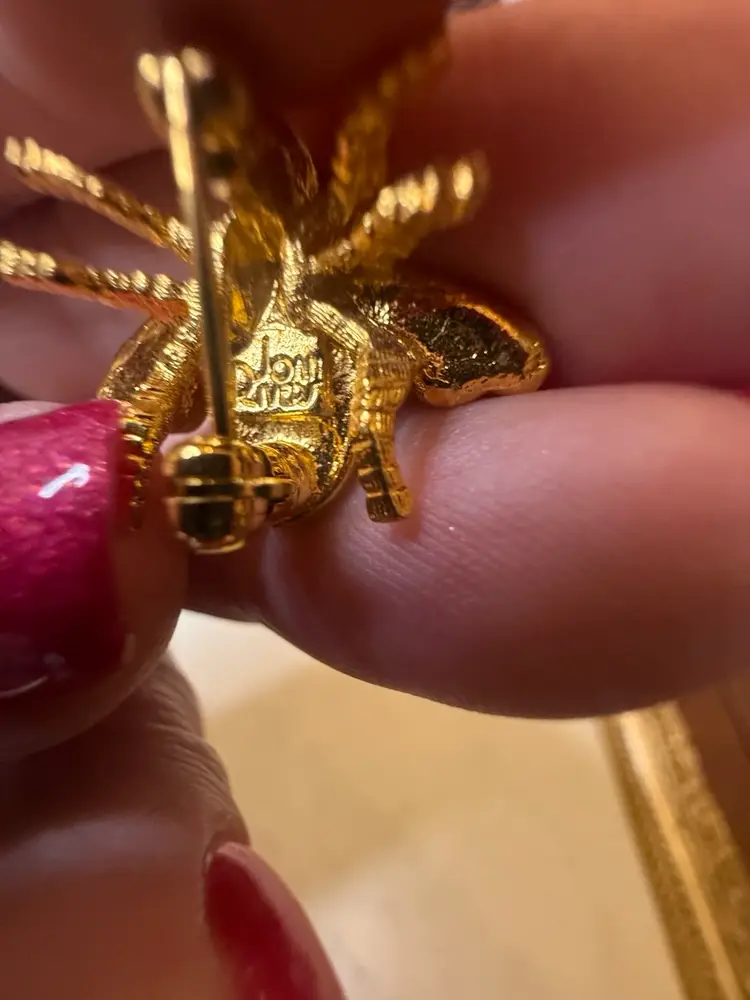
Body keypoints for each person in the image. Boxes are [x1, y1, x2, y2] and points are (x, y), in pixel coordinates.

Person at [0, 0, 749, 996]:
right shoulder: (196, 309)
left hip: (314, 413)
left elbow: (422, 300)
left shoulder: (335, 301)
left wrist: (386, 126)